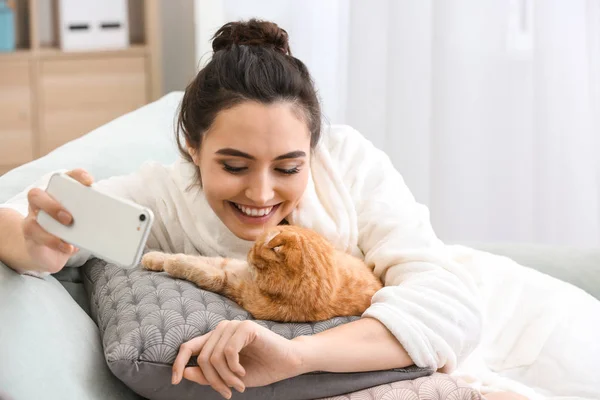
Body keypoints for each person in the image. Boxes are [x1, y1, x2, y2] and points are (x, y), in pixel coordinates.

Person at [0, 19, 599, 400]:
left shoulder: (350, 165)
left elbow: (448, 303)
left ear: (314, 149)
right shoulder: (163, 196)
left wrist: (294, 357)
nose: (261, 194)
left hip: (514, 314)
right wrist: (34, 241)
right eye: (234, 166)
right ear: (192, 148)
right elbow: (16, 219)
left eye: (288, 167)